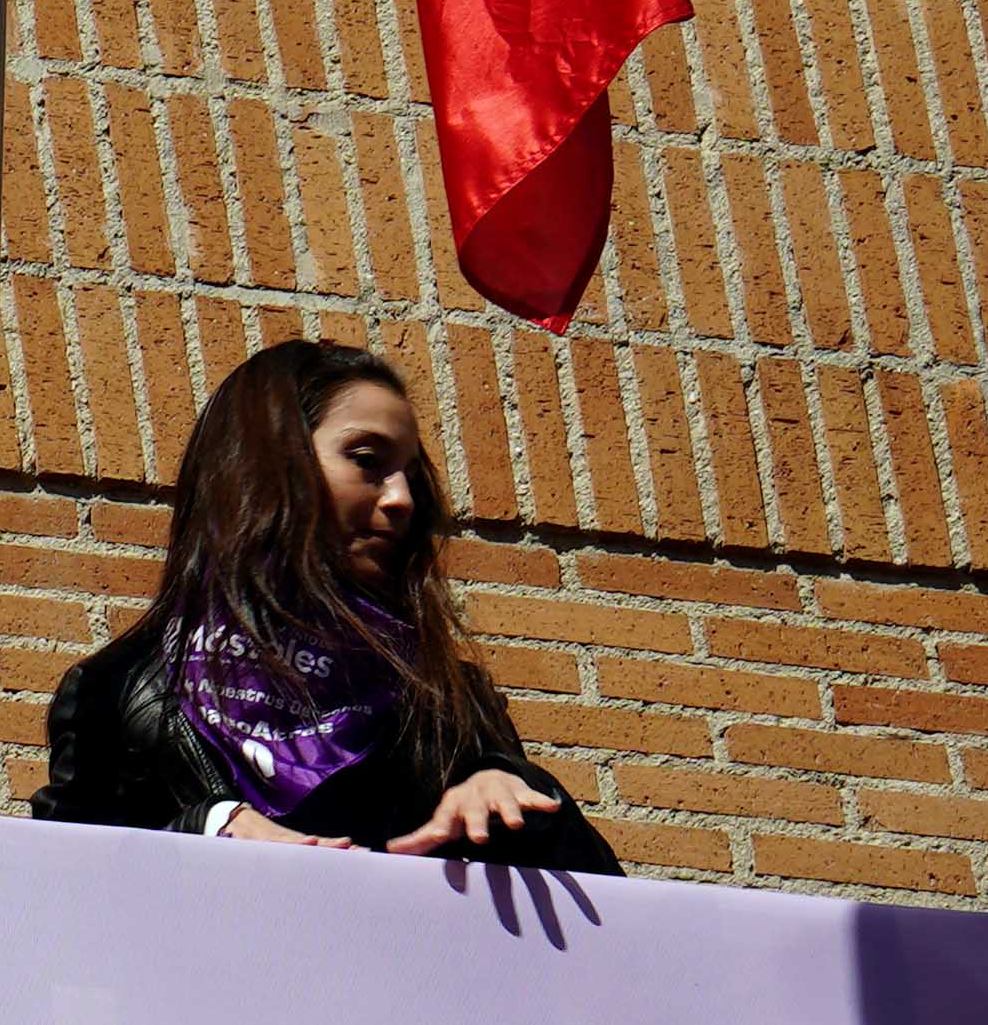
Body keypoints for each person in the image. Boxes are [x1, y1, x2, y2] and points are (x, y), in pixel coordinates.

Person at [35, 335, 612, 866]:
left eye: (410, 476)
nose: (402, 499)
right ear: (264, 465)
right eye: (367, 461)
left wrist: (516, 795)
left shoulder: (443, 700)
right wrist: (207, 828)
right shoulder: (122, 690)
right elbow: (57, 886)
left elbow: (602, 907)